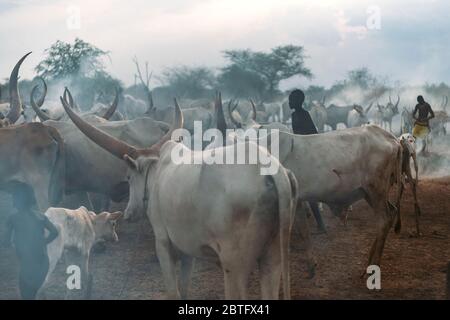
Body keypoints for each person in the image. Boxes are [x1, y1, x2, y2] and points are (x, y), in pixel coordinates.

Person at [3, 182, 59, 300]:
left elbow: (5, 242)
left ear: (17, 200)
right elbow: (55, 232)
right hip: (43, 263)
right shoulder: (41, 216)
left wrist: (13, 241)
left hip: (28, 266)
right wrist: (43, 242)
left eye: (14, 196)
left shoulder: (13, 218)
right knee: (32, 293)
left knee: (27, 295)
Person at [289, 89, 327, 233]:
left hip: (307, 156)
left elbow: (313, 134)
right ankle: (315, 224)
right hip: (301, 154)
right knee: (303, 191)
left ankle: (320, 225)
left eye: (291, 99)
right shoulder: (295, 115)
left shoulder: (304, 115)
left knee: (307, 192)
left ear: (298, 101)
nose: (288, 102)